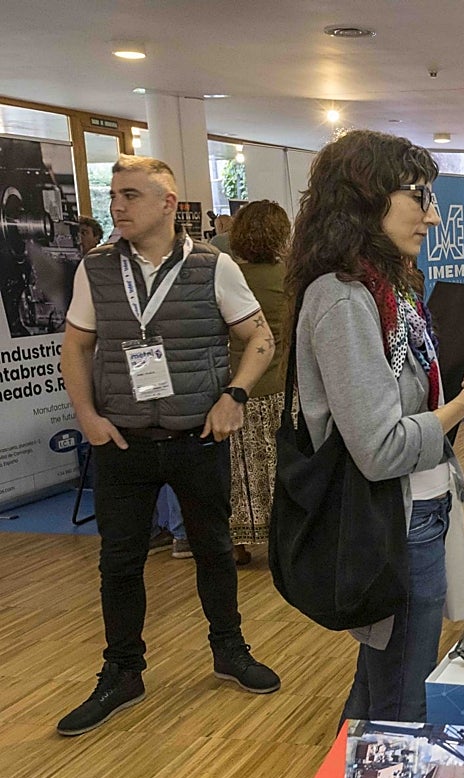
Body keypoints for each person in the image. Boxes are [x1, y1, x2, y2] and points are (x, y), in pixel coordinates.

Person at [57, 154, 281, 737]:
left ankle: (229, 650)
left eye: (130, 195)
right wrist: (86, 416)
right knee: (119, 562)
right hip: (122, 442)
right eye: (113, 195)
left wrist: (234, 395)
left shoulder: (214, 267)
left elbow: (259, 337)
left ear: (166, 203)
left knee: (214, 549)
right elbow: (76, 346)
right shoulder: (97, 269)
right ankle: (122, 671)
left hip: (195, 437)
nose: (116, 206)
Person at [288, 130, 464, 722]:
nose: (433, 216)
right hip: (392, 519)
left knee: (385, 679)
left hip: (417, 509)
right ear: (367, 197)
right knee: (402, 701)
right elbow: (381, 449)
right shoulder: (343, 300)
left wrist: (459, 385)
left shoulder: (387, 288)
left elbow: (402, 406)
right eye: (419, 197)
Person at [226, 200, 291, 566]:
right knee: (281, 467)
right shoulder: (290, 279)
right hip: (281, 387)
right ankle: (284, 536)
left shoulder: (228, 277)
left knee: (240, 472)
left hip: (237, 388)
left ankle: (238, 543)